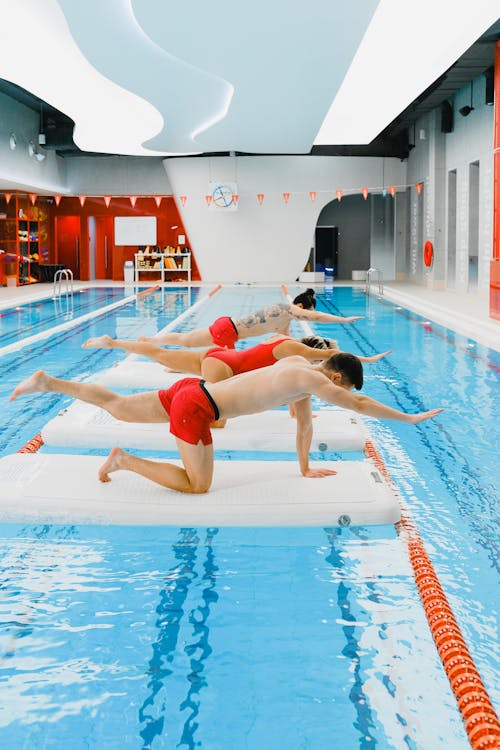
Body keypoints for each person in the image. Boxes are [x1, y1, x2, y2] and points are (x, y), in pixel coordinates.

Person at [10, 354, 442, 494]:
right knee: (198, 486)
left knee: (119, 406)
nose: (338, 395)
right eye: (339, 388)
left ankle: (49, 382)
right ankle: (124, 461)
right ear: (334, 377)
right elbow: (360, 403)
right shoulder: (314, 381)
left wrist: (304, 467)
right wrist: (409, 418)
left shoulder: (297, 368)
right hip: (197, 409)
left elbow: (304, 427)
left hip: (190, 389)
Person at [138, 289, 364, 349]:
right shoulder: (286, 308)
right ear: (301, 306)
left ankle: (151, 342)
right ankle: (153, 345)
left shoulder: (284, 321)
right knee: (219, 368)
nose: (307, 317)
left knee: (187, 340)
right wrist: (342, 321)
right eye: (306, 311)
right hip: (228, 331)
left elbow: (287, 342)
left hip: (229, 329)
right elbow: (314, 316)